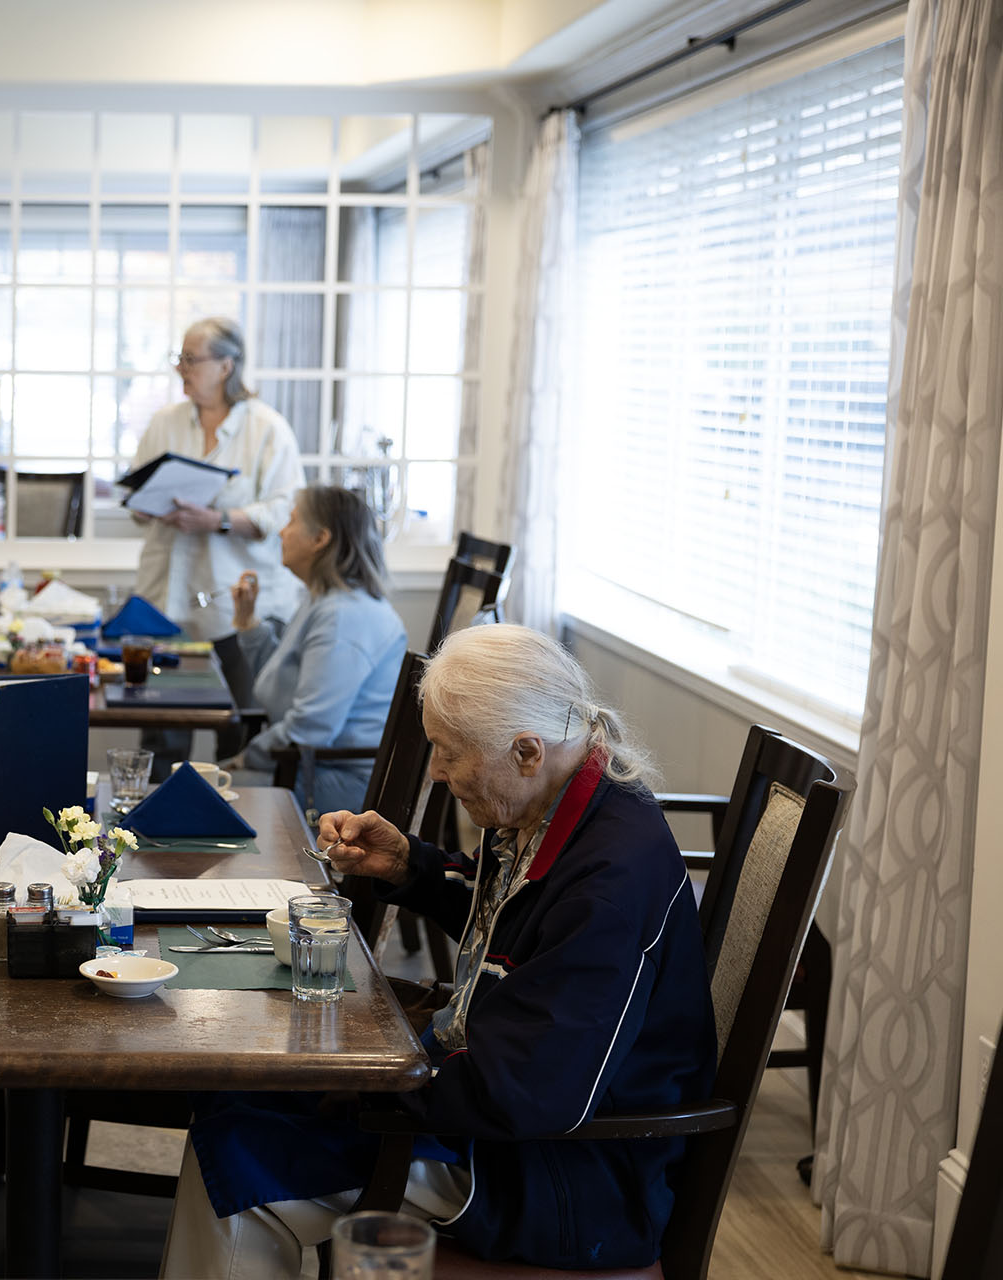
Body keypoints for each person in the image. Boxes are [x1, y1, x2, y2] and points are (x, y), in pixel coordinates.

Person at [162, 624, 716, 1276]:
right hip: (506, 1118)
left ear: (527, 750)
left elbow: (531, 1092)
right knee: (237, 1098)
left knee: (236, 1159)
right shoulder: (560, 797)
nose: (437, 770)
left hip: (561, 1176)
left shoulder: (610, 885)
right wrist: (411, 866)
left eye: (450, 752)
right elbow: (517, 930)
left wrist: (367, 1078)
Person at [129, 316, 306, 766]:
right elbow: (134, 499)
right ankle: (153, 832)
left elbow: (286, 510)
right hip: (167, 601)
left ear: (226, 366)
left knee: (239, 730)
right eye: (180, 358)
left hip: (237, 607)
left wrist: (218, 519)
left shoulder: (267, 429)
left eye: (192, 359)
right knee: (162, 734)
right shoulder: (165, 424)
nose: (181, 369)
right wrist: (148, 504)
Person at [223, 486, 406, 815]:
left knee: (195, 792)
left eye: (292, 522)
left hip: (335, 784)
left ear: (320, 538)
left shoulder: (342, 617)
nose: (281, 531)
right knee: (192, 788)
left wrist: (244, 758)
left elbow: (310, 729)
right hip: (308, 767)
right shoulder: (323, 600)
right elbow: (283, 684)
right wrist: (248, 623)